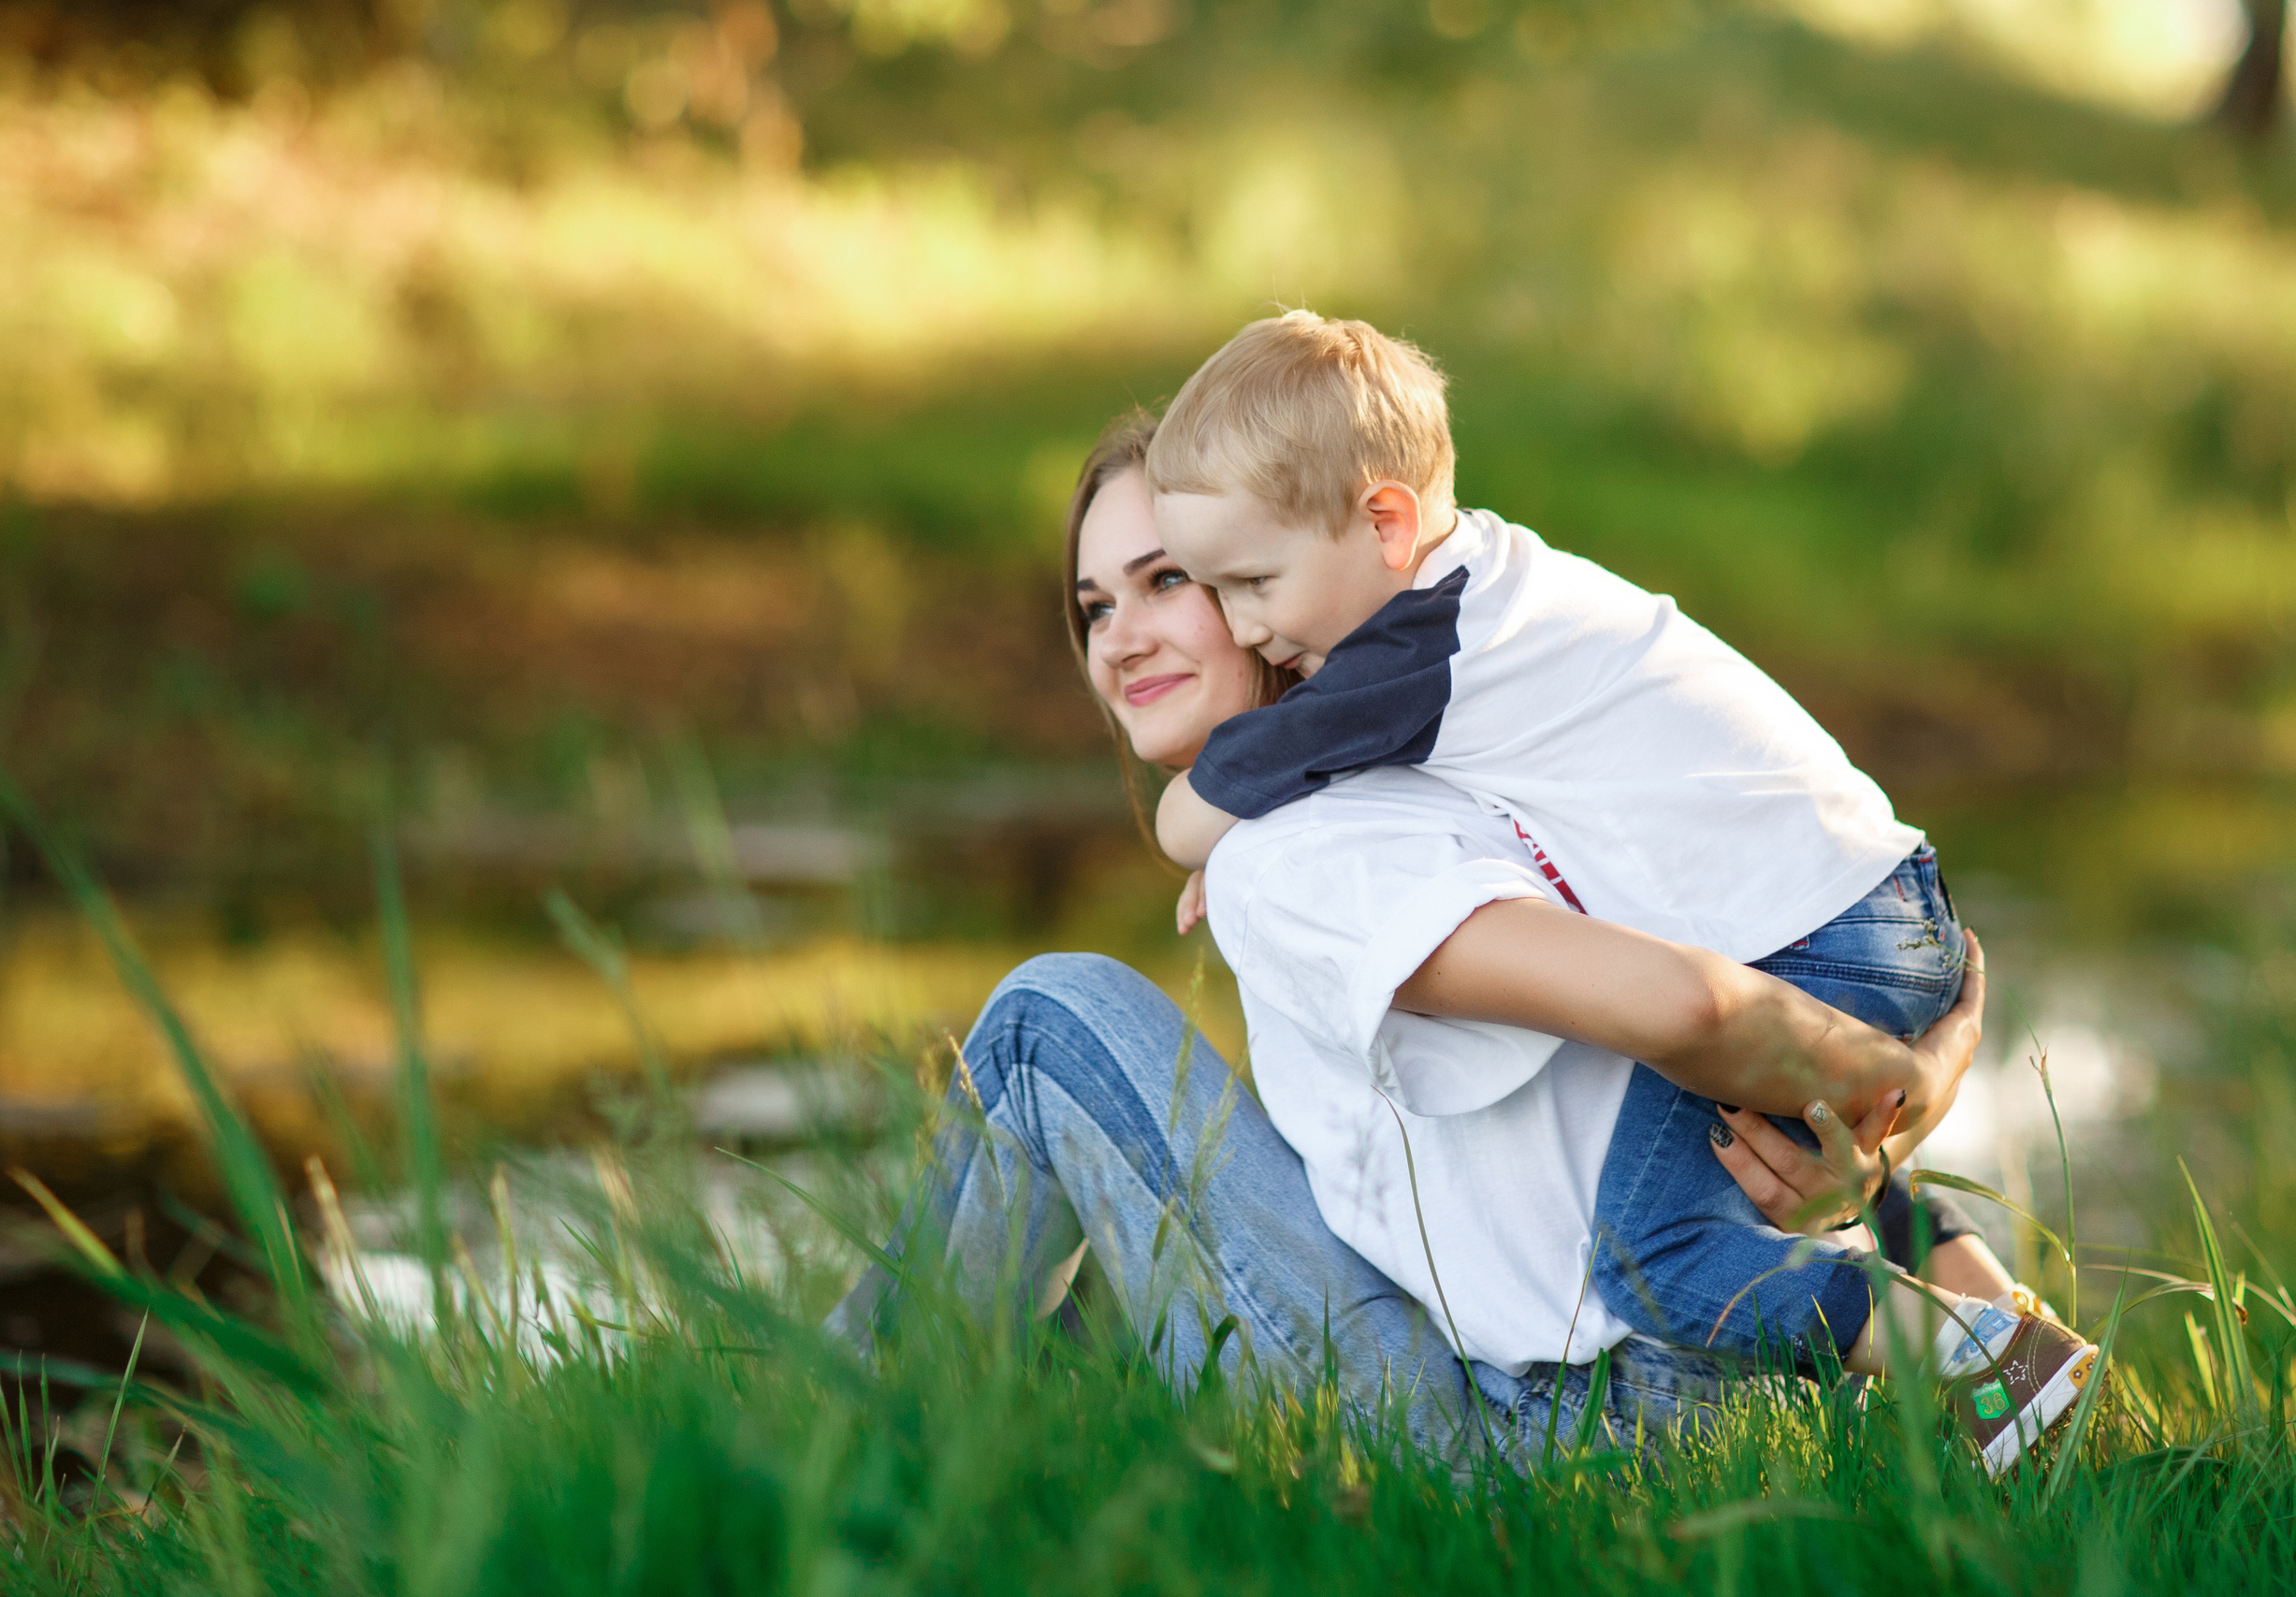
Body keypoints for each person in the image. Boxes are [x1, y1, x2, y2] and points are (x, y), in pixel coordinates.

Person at [832, 415, 2009, 1468]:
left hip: (1535, 1429)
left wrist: (1905, 1083)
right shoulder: (1481, 774)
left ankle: (827, 1420)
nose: (1121, 639)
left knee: (1052, 1025)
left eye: (1172, 581)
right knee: (1099, 1296)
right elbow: (1692, 1055)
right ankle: (1003, 1440)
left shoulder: (1302, 855)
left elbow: (1692, 1013)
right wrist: (1966, 1262)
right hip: (1691, 1381)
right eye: (1095, 607)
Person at [1139, 312, 2095, 1475]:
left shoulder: (1412, 653)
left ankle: (1991, 1365)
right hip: (1869, 904)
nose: (1245, 626)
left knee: (1657, 1259)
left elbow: (1182, 815)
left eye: (1251, 582)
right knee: (1760, 1163)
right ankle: (2016, 1360)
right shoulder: (1491, 581)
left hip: (1814, 939)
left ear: (1384, 522)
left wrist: (1222, 834)